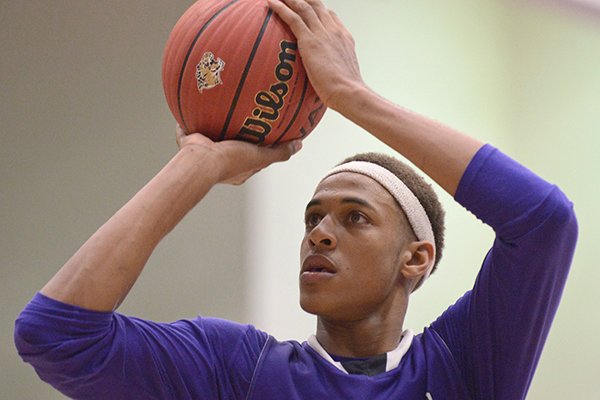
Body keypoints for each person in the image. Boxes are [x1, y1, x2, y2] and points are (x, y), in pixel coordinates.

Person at [14, 0, 577, 399]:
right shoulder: (235, 369)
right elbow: (55, 334)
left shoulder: (463, 366)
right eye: (314, 217)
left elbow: (543, 221)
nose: (320, 233)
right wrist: (198, 165)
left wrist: (352, 97)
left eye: (355, 217)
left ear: (416, 258)